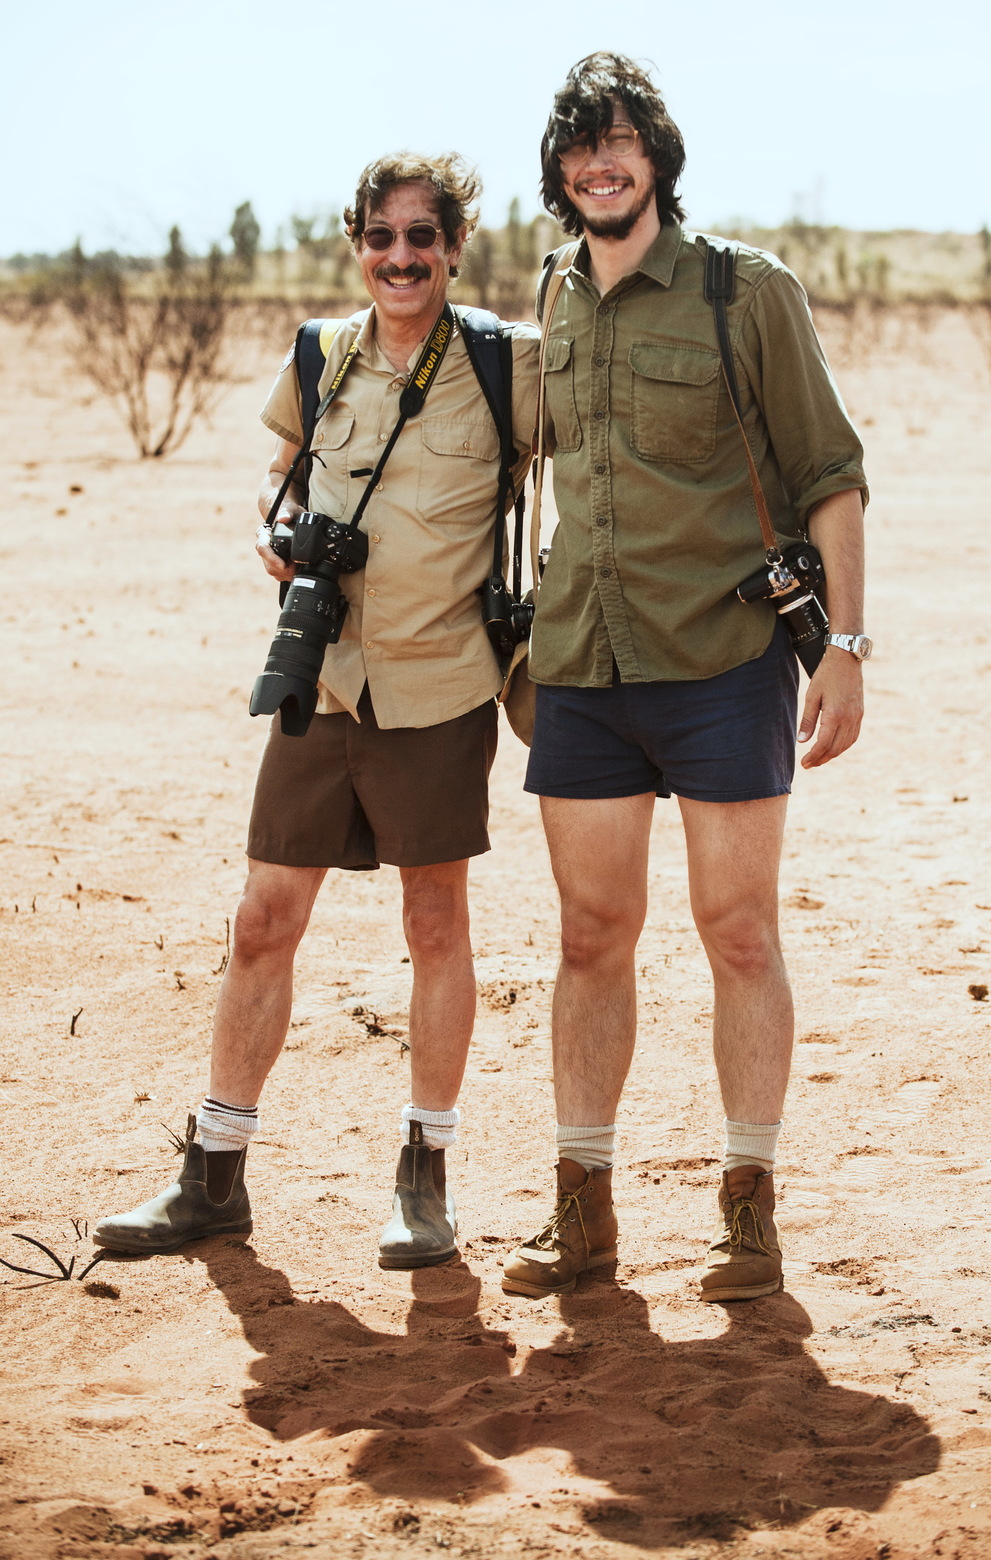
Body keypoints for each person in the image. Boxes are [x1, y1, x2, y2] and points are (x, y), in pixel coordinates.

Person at [94, 153, 539, 1270]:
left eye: (421, 238)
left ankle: (424, 1181)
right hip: (321, 675)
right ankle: (213, 1178)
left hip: (440, 687)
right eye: (381, 239)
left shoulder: (504, 363)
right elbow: (279, 477)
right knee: (261, 921)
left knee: (433, 926)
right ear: (357, 245)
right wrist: (274, 531)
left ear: (452, 246)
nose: (401, 258)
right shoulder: (319, 355)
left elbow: (588, 472)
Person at [502, 54, 870, 1302]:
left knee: (739, 933)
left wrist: (849, 653)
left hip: (723, 661)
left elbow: (829, 473)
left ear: (655, 157)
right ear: (560, 172)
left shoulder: (741, 290)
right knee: (590, 936)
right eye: (579, 148)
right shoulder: (548, 295)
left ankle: (748, 1210)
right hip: (584, 667)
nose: (601, 164)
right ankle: (582, 1212)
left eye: (622, 143)